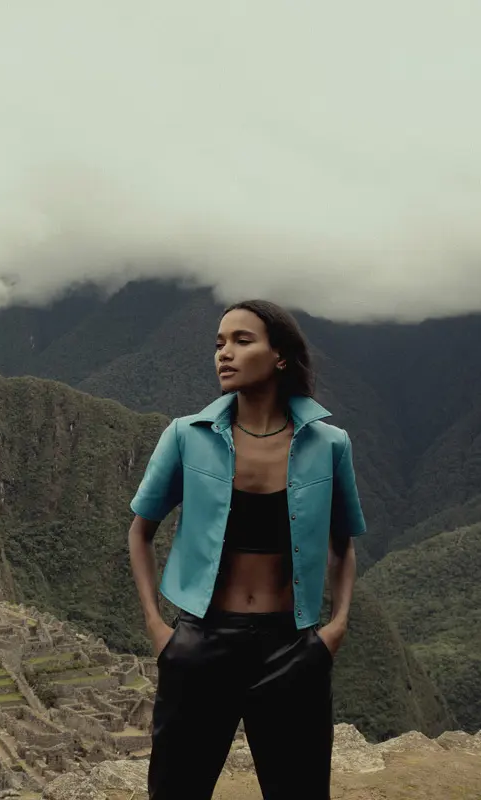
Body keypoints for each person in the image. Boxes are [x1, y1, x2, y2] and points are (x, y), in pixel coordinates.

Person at [127, 299, 366, 800]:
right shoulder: (185, 436)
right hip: (201, 641)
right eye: (219, 344)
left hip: (291, 644)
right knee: (176, 790)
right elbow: (140, 530)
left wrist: (335, 629)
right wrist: (159, 630)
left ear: (280, 356)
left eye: (242, 341)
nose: (224, 354)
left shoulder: (330, 444)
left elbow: (343, 544)